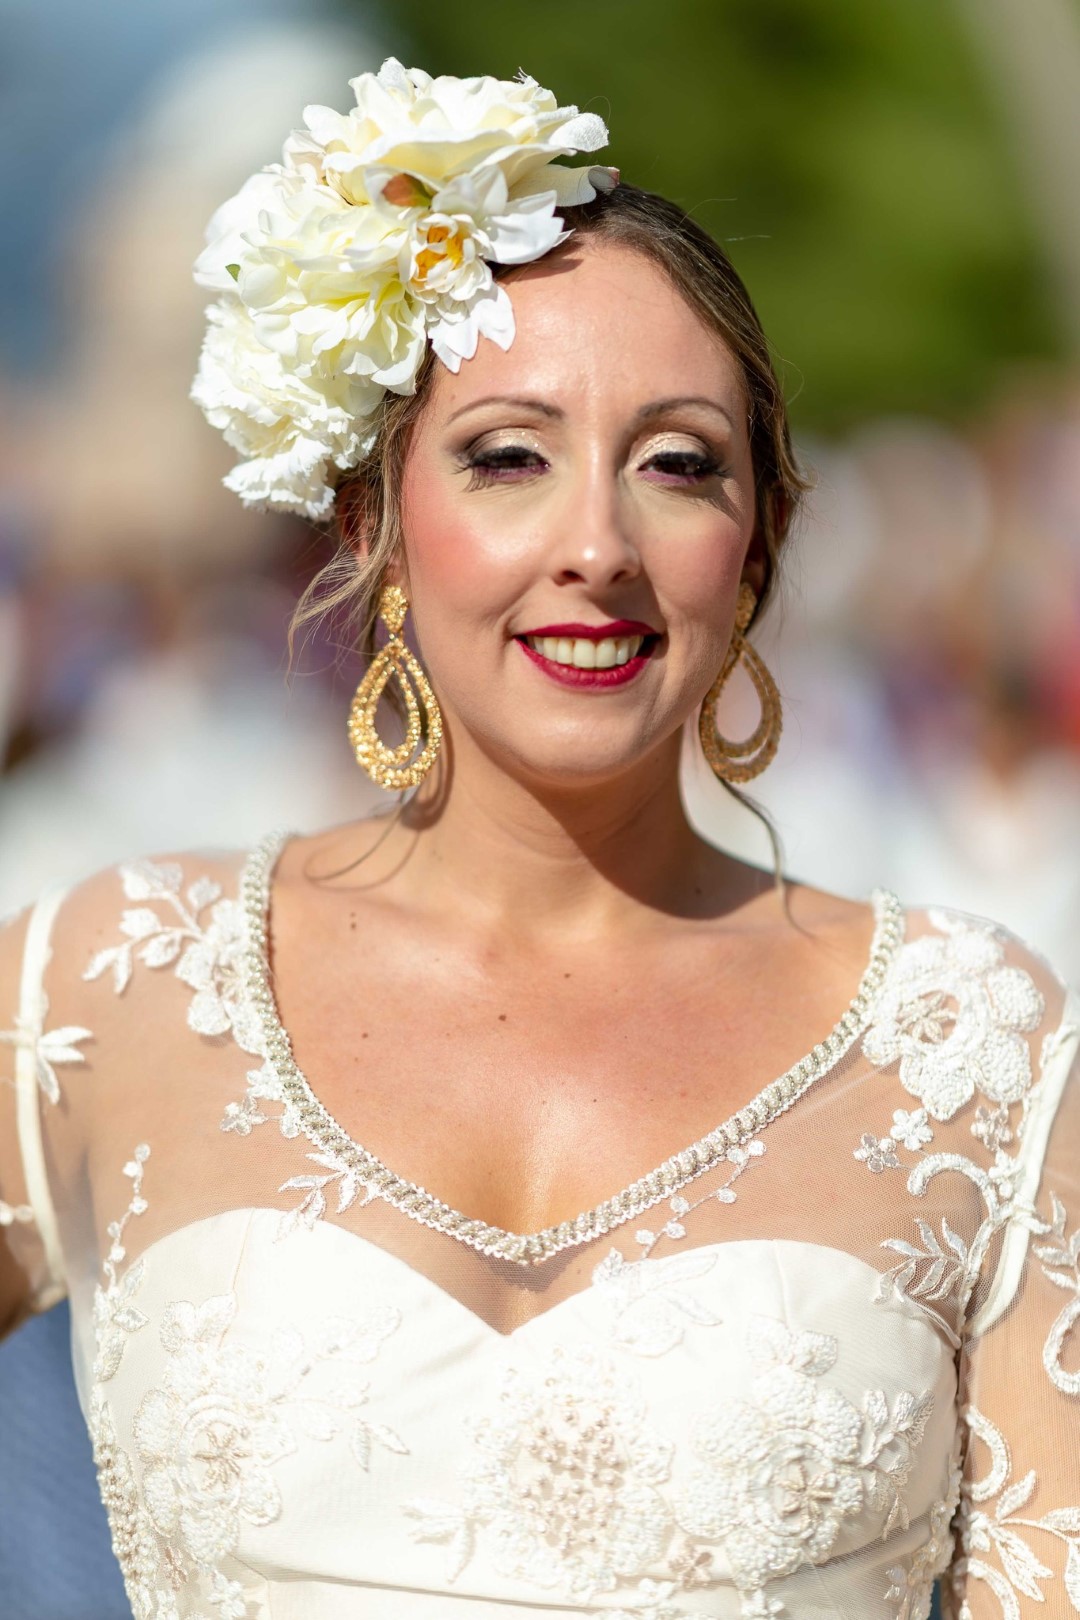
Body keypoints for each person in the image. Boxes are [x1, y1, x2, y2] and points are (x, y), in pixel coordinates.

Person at [1, 58, 1077, 1620]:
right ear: (373, 525)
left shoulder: (979, 1050)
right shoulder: (109, 985)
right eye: (509, 455)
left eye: (679, 464)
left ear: (759, 547)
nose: (597, 545)